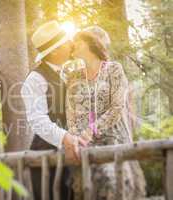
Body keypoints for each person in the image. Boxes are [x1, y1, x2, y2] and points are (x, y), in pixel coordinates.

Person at [65, 29, 146, 200]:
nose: (74, 45)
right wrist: (75, 137)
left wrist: (91, 130)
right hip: (85, 143)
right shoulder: (74, 76)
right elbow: (71, 113)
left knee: (114, 185)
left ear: (91, 43)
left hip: (113, 138)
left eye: (78, 41)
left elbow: (116, 107)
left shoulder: (114, 69)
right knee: (88, 189)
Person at [20, 20, 86, 200]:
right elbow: (37, 120)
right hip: (46, 159)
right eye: (66, 42)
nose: (71, 45)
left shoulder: (64, 75)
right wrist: (64, 137)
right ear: (55, 50)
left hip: (69, 155)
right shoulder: (35, 79)